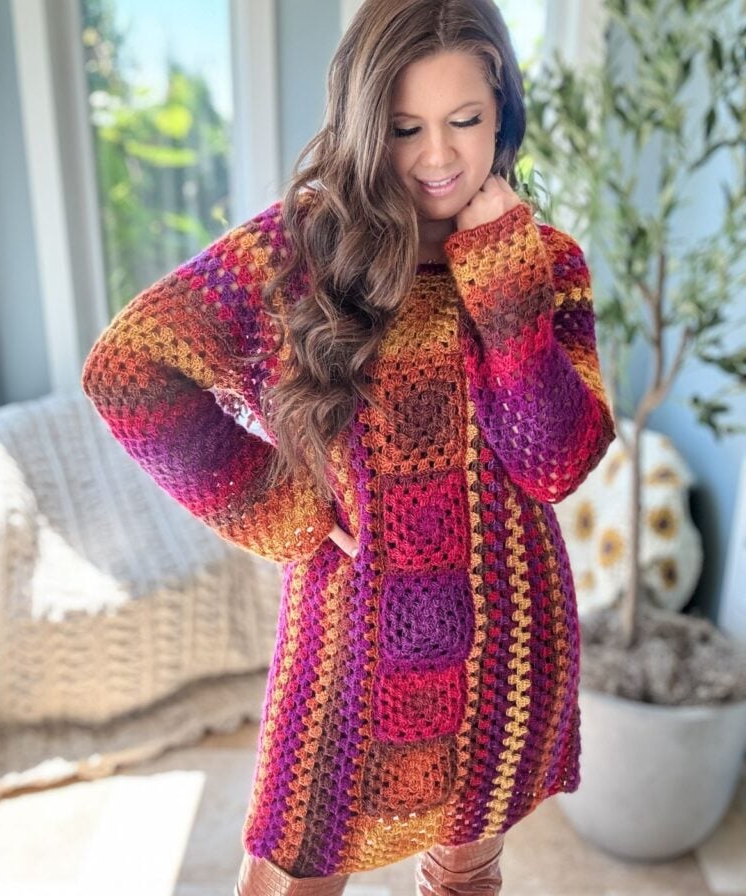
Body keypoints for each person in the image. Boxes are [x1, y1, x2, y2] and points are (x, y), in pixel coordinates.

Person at [80, 0, 617, 893]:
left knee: (466, 877)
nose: (438, 157)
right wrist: (283, 507)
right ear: (366, 124)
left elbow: (555, 463)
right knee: (289, 880)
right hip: (347, 647)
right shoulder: (301, 250)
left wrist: (503, 285)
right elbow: (130, 372)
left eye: (465, 121)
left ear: (503, 114)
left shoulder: (546, 261)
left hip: (508, 645)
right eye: (406, 127)